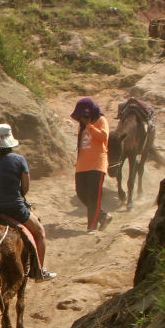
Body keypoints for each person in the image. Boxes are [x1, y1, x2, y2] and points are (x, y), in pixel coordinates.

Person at [0, 123, 54, 280]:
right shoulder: (19, 160)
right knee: (39, 233)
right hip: (15, 207)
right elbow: (25, 187)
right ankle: (38, 271)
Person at [71, 97, 112, 233]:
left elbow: (104, 137)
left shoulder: (101, 120)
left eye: (84, 115)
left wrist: (89, 125)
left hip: (97, 164)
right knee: (81, 193)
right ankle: (103, 216)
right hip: (82, 165)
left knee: (93, 196)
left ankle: (92, 226)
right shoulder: (81, 126)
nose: (82, 118)